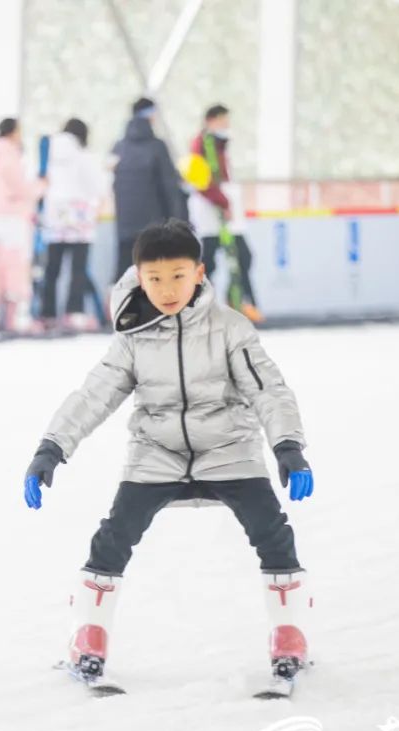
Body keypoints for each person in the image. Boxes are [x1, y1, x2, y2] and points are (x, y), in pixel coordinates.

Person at [23, 219, 314, 689]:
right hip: (156, 453)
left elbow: (269, 391)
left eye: (178, 276)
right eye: (154, 279)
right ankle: (89, 636)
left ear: (199, 273)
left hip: (227, 448)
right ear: (139, 278)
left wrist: (287, 446)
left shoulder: (230, 329)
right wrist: (51, 448)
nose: (167, 289)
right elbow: (93, 396)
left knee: (273, 533)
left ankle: (289, 634)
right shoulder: (133, 336)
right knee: (113, 537)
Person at [186, 104, 263, 323]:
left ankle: (237, 301)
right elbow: (202, 180)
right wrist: (223, 201)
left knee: (240, 257)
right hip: (213, 213)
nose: (226, 126)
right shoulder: (202, 145)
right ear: (211, 121)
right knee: (211, 260)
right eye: (223, 121)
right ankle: (204, 307)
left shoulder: (219, 145)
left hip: (225, 213)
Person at [0, 117, 45, 333]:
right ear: (13, 132)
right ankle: (12, 320)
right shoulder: (8, 153)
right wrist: (41, 187)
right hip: (12, 219)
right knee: (14, 268)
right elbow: (18, 187)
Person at [40, 119, 108, 330]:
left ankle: (47, 313)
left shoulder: (48, 153)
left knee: (52, 267)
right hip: (80, 215)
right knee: (78, 268)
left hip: (54, 216)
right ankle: (73, 312)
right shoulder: (84, 156)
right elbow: (99, 186)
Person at [111, 97, 187, 282]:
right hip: (153, 225)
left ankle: (121, 309)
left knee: (125, 273)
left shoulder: (118, 147)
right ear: (151, 115)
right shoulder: (157, 147)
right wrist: (178, 221)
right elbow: (170, 187)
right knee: (155, 274)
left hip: (124, 225)